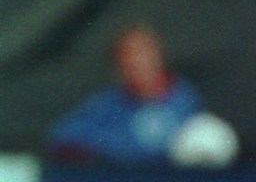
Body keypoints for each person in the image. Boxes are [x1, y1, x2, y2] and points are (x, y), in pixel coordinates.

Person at [47, 23, 209, 165]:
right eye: (130, 58)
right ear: (118, 68)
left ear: (159, 56)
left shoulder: (186, 100)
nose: (138, 63)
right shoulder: (105, 105)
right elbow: (63, 139)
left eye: (144, 54)